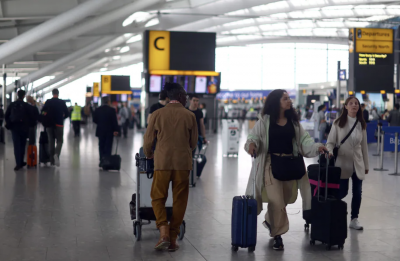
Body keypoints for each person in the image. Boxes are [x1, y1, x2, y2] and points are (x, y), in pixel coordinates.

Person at [245, 89, 326, 250]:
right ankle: (278, 235)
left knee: (286, 197)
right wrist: (252, 145)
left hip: (290, 163)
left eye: (289, 98)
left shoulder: (294, 123)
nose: (289, 101)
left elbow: (305, 142)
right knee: (277, 200)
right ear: (276, 102)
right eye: (285, 99)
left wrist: (317, 147)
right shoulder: (265, 121)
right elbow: (253, 137)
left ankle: (270, 220)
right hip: (270, 163)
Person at [143, 82, 198, 252]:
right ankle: (173, 239)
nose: (187, 99)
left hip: (163, 163)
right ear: (180, 97)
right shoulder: (190, 116)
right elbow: (194, 142)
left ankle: (163, 230)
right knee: (179, 200)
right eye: (186, 96)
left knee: (157, 197)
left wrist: (149, 154)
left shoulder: (157, 114)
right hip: (182, 164)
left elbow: (148, 140)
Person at [326, 96, 369, 231]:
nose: (354, 105)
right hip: (342, 162)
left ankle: (354, 218)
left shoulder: (361, 123)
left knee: (357, 192)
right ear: (345, 106)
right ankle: (336, 215)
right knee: (342, 192)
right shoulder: (338, 123)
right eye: (351, 103)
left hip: (357, 162)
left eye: (356, 103)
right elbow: (330, 142)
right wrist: (330, 152)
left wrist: (366, 165)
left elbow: (364, 146)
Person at [5, 90, 36, 170]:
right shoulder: (26, 105)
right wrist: (30, 125)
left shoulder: (12, 104)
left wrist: (9, 124)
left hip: (14, 128)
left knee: (16, 145)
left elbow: (6, 115)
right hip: (24, 128)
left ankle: (18, 163)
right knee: (22, 144)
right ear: (23, 96)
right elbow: (32, 116)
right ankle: (21, 161)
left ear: (17, 95)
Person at [42, 88, 69, 167]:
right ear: (58, 93)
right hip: (59, 124)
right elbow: (67, 113)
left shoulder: (48, 102)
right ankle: (57, 154)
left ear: (52, 93)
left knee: (51, 141)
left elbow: (43, 111)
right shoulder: (61, 102)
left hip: (49, 124)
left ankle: (51, 161)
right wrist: (62, 117)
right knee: (60, 141)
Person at [93, 96, 119, 168]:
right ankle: (106, 161)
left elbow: (94, 120)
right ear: (108, 102)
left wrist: (100, 123)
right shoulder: (112, 110)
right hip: (109, 131)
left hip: (100, 131)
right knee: (108, 146)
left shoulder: (98, 110)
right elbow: (114, 121)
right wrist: (116, 130)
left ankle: (101, 160)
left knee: (101, 145)